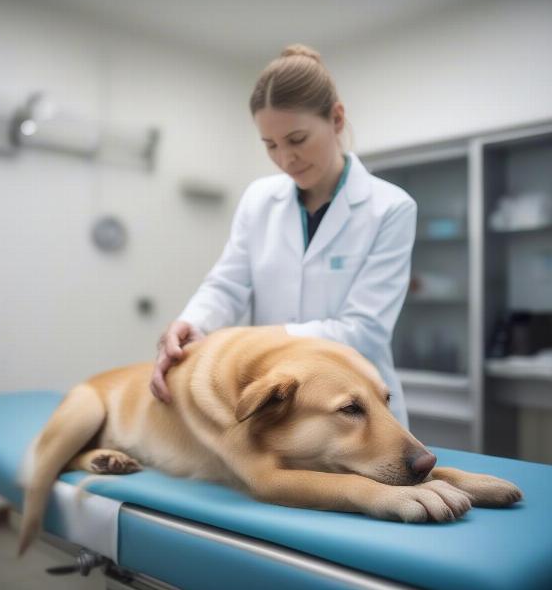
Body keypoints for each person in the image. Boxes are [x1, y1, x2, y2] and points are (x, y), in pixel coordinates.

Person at [150, 43, 417, 428]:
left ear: (337, 118)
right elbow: (226, 285)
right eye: (270, 145)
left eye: (297, 139)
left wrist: (244, 342)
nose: (284, 159)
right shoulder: (259, 199)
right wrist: (194, 323)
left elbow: (363, 331)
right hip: (279, 408)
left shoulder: (390, 208)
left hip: (358, 416)